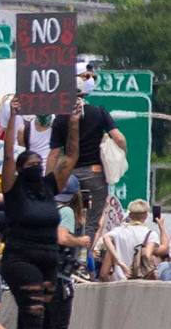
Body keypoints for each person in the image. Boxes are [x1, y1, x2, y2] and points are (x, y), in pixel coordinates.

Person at [1, 95, 79, 329]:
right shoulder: (13, 189)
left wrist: (72, 122)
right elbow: (8, 156)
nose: (35, 165)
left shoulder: (48, 187)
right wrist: (12, 121)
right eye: (30, 163)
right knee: (34, 311)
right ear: (21, 169)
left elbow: (70, 158)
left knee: (35, 314)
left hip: (49, 259)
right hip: (20, 259)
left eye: (38, 162)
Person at [48, 63, 125, 238]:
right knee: (91, 223)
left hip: (68, 176)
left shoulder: (60, 118)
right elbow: (119, 138)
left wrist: (48, 182)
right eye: (87, 77)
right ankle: (84, 257)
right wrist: (121, 156)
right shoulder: (99, 112)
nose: (92, 80)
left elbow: (53, 153)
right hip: (94, 174)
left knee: (66, 216)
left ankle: (69, 251)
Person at [45, 176, 89, 329]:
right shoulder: (67, 211)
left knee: (42, 325)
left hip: (40, 272)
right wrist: (80, 240)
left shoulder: (45, 209)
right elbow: (63, 238)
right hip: (59, 275)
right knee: (59, 327)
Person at [101, 200, 158, 282]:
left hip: (119, 284)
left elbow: (105, 237)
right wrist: (162, 228)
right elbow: (147, 256)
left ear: (130, 215)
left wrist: (119, 261)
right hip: (140, 283)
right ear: (146, 215)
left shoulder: (118, 231)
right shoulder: (151, 234)